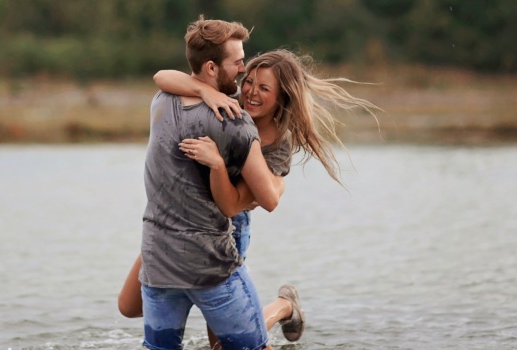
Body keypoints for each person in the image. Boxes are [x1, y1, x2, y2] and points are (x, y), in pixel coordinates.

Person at [121, 47, 381, 349]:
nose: (251, 93)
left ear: (282, 96)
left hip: (227, 227)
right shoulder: (229, 102)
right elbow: (162, 77)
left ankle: (284, 306)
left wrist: (263, 182)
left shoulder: (277, 144)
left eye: (264, 88)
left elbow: (247, 201)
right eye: (249, 82)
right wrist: (205, 91)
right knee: (129, 306)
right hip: (178, 220)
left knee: (222, 345)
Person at [134, 16, 285, 350]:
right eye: (237, 62)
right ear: (212, 68)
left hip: (158, 263)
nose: (243, 68)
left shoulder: (161, 99)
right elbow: (269, 199)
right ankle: (285, 306)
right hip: (209, 265)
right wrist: (278, 183)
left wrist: (202, 89)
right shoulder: (235, 122)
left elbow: (163, 76)